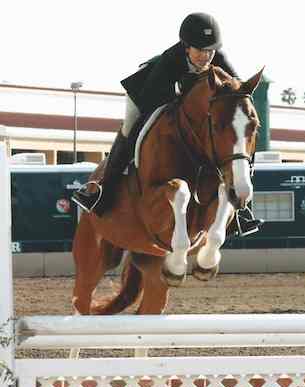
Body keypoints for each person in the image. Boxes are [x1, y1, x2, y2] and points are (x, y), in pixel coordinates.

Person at [72, 12, 263, 236]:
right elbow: (152, 98)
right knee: (131, 129)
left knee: (238, 136)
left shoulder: (218, 57)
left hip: (185, 105)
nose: (206, 56)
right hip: (146, 96)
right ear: (186, 47)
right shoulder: (170, 59)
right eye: (200, 50)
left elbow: (237, 93)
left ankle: (241, 211)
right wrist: (185, 91)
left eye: (210, 50)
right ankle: (102, 190)